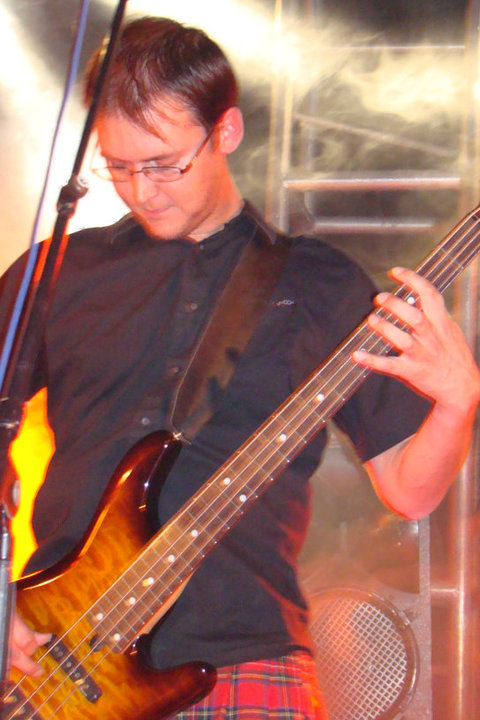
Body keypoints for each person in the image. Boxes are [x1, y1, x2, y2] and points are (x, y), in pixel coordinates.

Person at [3, 15, 480, 720]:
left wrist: (458, 404)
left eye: (164, 163)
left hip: (245, 661)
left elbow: (409, 491)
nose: (141, 190)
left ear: (225, 131)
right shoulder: (59, 272)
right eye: (119, 166)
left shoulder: (318, 284)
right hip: (56, 663)